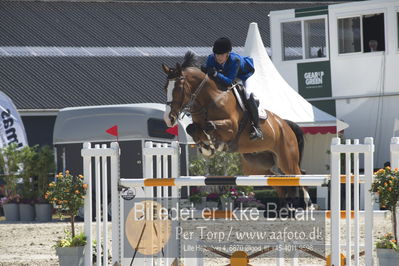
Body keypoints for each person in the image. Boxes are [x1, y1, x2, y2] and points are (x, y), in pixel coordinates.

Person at [202, 37, 263, 140]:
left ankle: (257, 128)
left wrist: (216, 74)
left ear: (228, 54)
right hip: (226, 75)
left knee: (247, 94)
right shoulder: (211, 58)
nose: (219, 58)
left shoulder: (235, 60)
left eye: (221, 55)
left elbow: (229, 81)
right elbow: (208, 74)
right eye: (217, 55)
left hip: (244, 76)